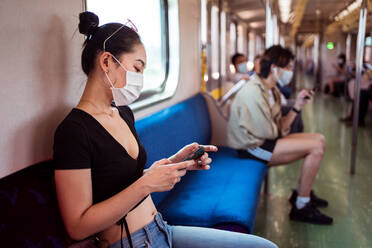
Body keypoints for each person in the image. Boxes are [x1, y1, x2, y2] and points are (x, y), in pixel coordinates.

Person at [53, 11, 277, 248]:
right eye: (137, 68)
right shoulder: (74, 131)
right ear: (107, 61)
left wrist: (172, 162)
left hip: (161, 227)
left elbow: (122, 179)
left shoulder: (122, 113)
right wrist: (146, 184)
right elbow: (77, 226)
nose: (140, 78)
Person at [227, 45, 333, 225]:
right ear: (275, 69)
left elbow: (279, 128)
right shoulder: (254, 92)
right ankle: (301, 205)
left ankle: (301, 195)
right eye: (289, 68)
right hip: (251, 148)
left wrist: (298, 105)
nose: (291, 72)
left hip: (264, 140)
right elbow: (272, 132)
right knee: (315, 146)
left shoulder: (271, 89)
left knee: (319, 139)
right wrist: (283, 127)